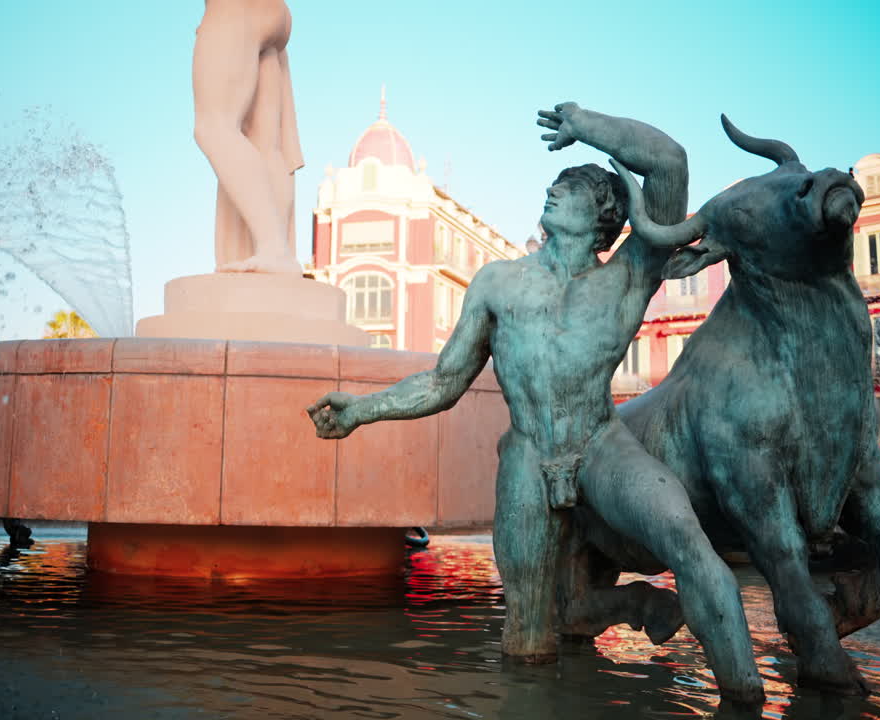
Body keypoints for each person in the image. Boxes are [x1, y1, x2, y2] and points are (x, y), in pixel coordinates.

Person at [307, 104, 765, 705]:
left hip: (600, 444)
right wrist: (362, 410)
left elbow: (670, 162)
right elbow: (444, 381)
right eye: (555, 184)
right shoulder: (498, 283)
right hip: (527, 453)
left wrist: (587, 125)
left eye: (570, 188)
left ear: (602, 212)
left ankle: (744, 695)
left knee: (686, 536)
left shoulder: (628, 275)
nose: (552, 190)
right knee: (526, 631)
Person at [193, 0, 304, 274]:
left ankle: (273, 248)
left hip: (233, 8)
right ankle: (278, 254)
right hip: (272, 13)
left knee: (214, 126)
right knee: (265, 145)